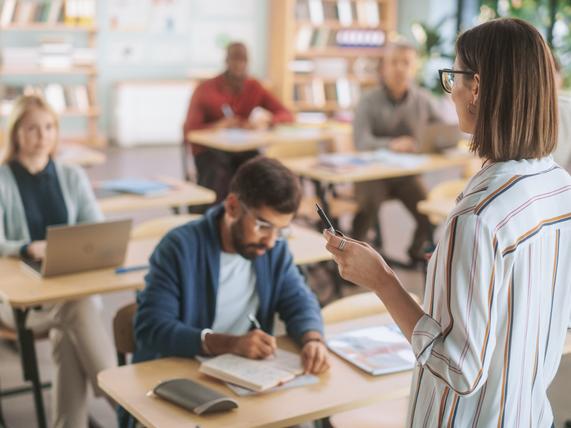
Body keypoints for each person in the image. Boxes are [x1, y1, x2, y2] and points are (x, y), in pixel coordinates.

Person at [324, 18, 571, 427]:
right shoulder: (558, 185)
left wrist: (383, 281)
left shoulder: (477, 217)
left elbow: (459, 370)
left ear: (475, 88)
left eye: (453, 76)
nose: (450, 90)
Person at [134, 156, 329, 369]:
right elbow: (152, 327)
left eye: (281, 230)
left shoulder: (274, 249)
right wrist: (230, 344)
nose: (271, 241)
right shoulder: (179, 248)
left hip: (242, 371)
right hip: (178, 371)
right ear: (232, 207)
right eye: (263, 225)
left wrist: (313, 339)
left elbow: (299, 301)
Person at [0, 95, 115, 428]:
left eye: (49, 127)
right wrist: (25, 248)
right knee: (77, 310)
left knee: (69, 332)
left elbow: (96, 227)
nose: (42, 135)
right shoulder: (3, 179)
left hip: (68, 289)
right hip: (18, 302)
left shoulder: (71, 175)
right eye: (32, 128)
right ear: (16, 133)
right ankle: (122, 402)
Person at [351, 41, 445, 262]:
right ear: (384, 67)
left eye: (405, 63)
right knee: (368, 206)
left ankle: (416, 250)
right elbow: (361, 141)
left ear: (414, 68)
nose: (399, 68)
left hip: (404, 176)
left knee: (428, 209)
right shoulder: (368, 100)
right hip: (371, 176)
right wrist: (391, 145)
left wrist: (433, 142)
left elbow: (442, 130)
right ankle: (353, 258)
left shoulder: (423, 100)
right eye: (394, 62)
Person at [183, 42, 294, 203]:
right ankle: (212, 217)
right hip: (208, 150)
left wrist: (267, 121)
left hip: (241, 148)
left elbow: (286, 114)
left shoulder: (253, 87)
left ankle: (253, 217)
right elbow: (189, 131)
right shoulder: (205, 89)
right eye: (234, 60)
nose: (239, 65)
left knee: (262, 170)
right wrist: (217, 126)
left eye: (243, 60)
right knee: (219, 174)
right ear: (226, 61)